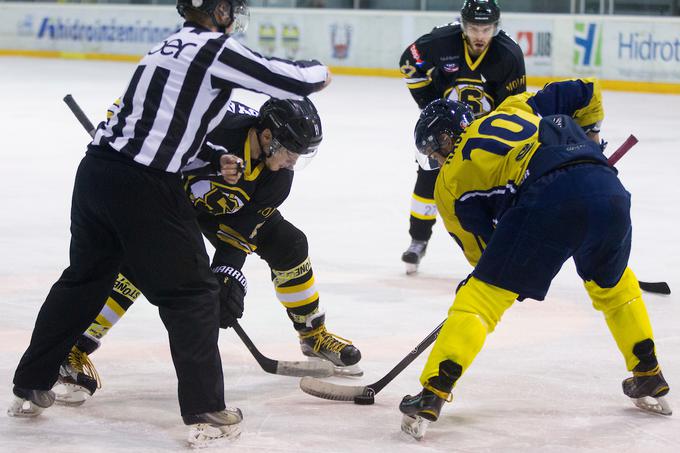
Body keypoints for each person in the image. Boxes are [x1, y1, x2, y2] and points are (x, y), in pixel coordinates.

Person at [8, 0, 332, 445]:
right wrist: (321, 71)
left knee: (84, 279)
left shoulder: (165, 47)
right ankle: (205, 409)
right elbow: (293, 79)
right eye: (232, 8)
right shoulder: (213, 49)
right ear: (218, 10)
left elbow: (169, 125)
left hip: (97, 172)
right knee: (194, 293)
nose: (235, 17)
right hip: (145, 184)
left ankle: (31, 381)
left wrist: (215, 163)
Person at [399, 79, 672, 440]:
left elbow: (483, 255)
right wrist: (591, 137)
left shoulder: (448, 182)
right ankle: (648, 373)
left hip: (547, 199)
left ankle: (432, 392)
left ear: (445, 140)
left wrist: (494, 276)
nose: (435, 159)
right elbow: (588, 91)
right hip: (607, 186)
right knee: (615, 286)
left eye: (433, 151)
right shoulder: (515, 107)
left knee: (479, 301)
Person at [54, 97, 363, 406]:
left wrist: (227, 274)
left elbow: (245, 226)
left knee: (289, 244)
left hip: (219, 209)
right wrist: (117, 130)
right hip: (163, 196)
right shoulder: (216, 124)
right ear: (267, 136)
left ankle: (312, 334)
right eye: (291, 152)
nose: (293, 162)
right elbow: (142, 106)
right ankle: (75, 344)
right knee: (143, 261)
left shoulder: (277, 177)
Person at [398, 0, 525, 274]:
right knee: (428, 179)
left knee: (497, 188)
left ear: (496, 28)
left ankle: (498, 246)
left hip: (487, 131)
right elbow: (409, 61)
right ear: (463, 26)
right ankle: (418, 240)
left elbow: (515, 106)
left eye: (486, 28)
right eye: (474, 28)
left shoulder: (509, 55)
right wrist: (431, 106)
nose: (480, 35)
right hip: (447, 132)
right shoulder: (443, 41)